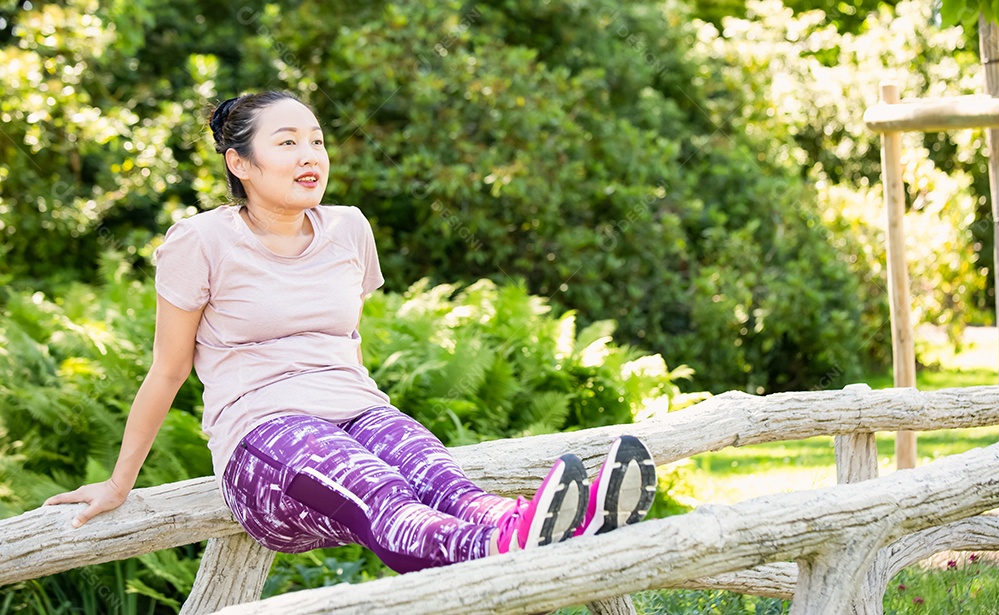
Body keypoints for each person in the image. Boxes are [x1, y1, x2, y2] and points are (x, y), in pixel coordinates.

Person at [42, 90, 657, 573]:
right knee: (385, 493)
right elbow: (168, 370)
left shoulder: (348, 228)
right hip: (265, 444)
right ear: (240, 163)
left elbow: (343, 343)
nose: (310, 155)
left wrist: (362, 408)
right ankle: (522, 538)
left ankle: (549, 524)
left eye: (317, 140)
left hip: (357, 409)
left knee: (447, 483)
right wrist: (120, 483)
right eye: (287, 143)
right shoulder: (199, 242)